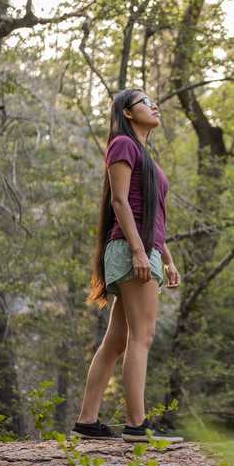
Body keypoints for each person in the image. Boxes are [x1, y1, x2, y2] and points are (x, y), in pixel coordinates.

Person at [71, 89, 182, 443]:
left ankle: (87, 422)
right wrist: (138, 251)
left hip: (142, 248)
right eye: (146, 101)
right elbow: (120, 202)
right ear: (128, 112)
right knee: (143, 336)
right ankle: (137, 426)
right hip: (131, 248)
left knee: (117, 339)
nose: (155, 105)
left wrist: (166, 259)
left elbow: (149, 214)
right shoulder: (122, 143)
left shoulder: (142, 153)